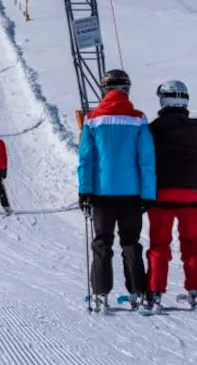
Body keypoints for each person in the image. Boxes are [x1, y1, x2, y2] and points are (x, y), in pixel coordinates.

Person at [77, 69, 156, 312]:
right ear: (126, 90)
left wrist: (84, 191)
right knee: (131, 242)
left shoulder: (93, 119)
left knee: (102, 242)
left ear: (104, 90)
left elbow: (86, 159)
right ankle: (137, 293)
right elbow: (146, 159)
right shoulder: (138, 118)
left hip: (101, 194)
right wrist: (148, 194)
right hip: (132, 194)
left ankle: (101, 294)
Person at [144, 80, 197, 313]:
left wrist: (144, 195)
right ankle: (196, 293)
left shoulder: (153, 129)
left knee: (159, 244)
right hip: (193, 194)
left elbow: (145, 163)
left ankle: (154, 292)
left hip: (161, 195)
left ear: (163, 100)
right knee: (192, 244)